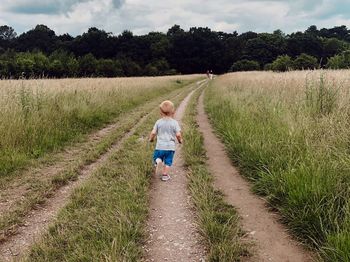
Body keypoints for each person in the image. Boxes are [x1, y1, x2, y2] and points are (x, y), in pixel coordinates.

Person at [149, 100, 183, 181]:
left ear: (160, 112)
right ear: (173, 112)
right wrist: (180, 140)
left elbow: (153, 133)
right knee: (168, 162)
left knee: (157, 157)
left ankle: (158, 161)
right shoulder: (174, 123)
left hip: (160, 146)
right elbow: (178, 134)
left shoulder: (158, 122)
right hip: (170, 147)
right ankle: (165, 175)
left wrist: (151, 139)